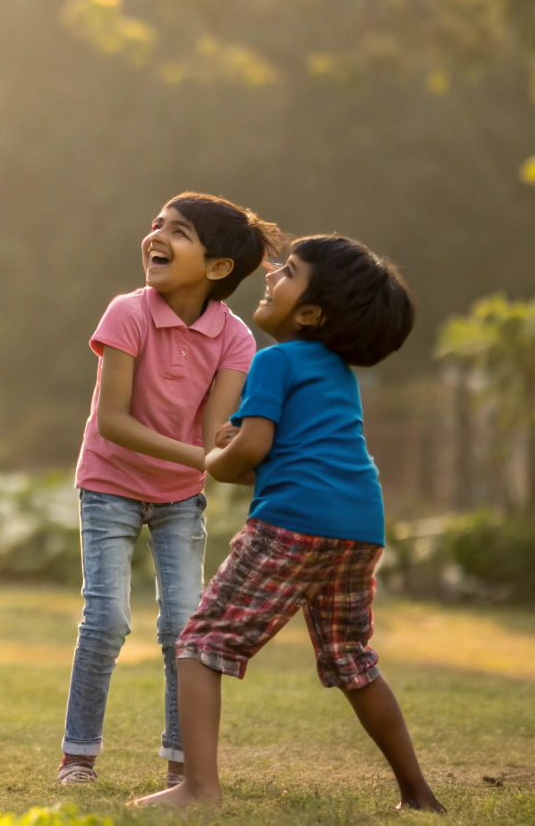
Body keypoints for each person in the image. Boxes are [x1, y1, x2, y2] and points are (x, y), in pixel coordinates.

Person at [131, 235, 443, 811]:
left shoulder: (273, 359)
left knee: (201, 644)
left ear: (311, 313)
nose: (271, 274)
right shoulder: (336, 374)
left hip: (293, 523)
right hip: (358, 525)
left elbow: (246, 453)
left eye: (289, 271)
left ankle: (199, 790)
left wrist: (216, 457)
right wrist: (246, 448)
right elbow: (292, 452)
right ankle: (418, 795)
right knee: (351, 659)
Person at [57, 193, 282, 789]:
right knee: (105, 619)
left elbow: (216, 433)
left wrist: (236, 457)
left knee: (184, 628)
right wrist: (205, 458)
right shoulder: (128, 312)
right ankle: (77, 757)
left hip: (181, 499)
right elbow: (114, 422)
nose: (155, 235)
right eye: (156, 224)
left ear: (216, 268)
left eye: (177, 232)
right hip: (109, 484)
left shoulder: (235, 339)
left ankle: (185, 765)